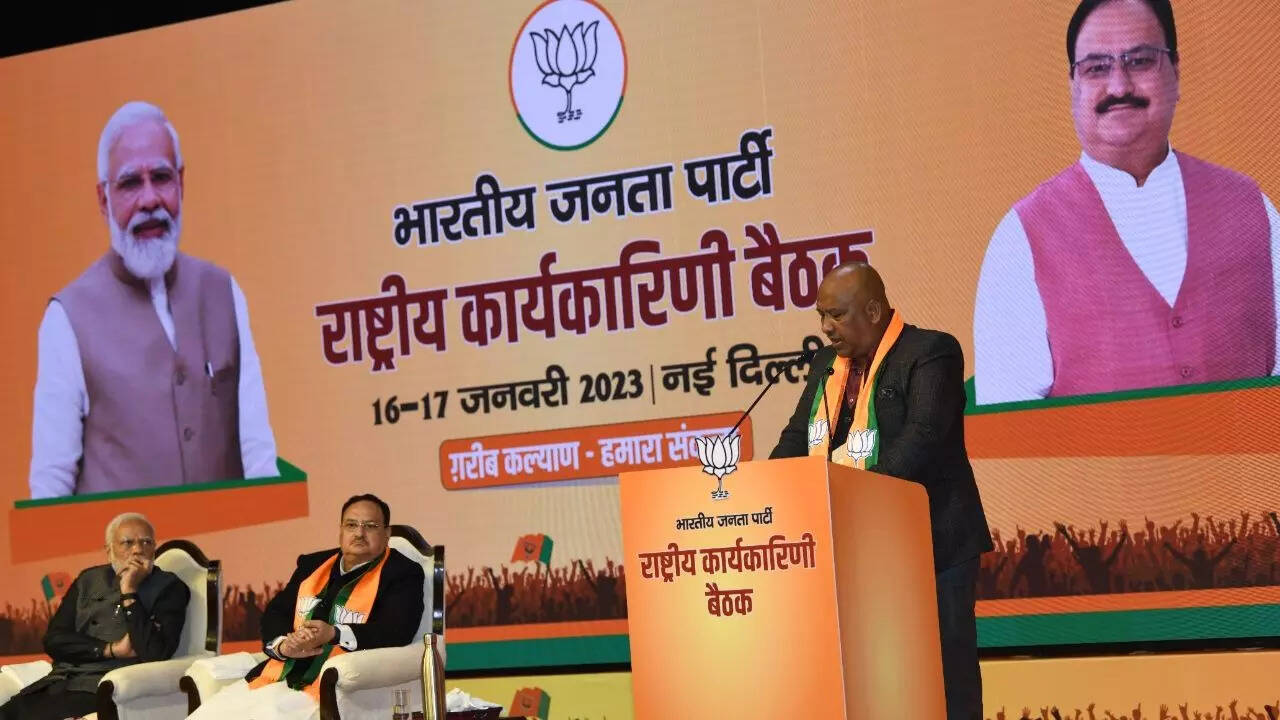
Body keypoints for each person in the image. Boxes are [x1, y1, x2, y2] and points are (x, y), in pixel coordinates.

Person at [974, 0, 1280, 404]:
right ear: (1073, 86)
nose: (1119, 87)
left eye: (1140, 61)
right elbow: (1011, 430)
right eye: (1096, 67)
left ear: (1176, 73)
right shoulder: (1021, 241)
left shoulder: (1252, 210)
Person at [771, 262, 992, 720]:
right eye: (820, 315)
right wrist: (767, 492)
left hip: (933, 545)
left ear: (873, 311)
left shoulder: (931, 352)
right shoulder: (825, 366)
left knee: (944, 674)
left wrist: (853, 500)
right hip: (856, 552)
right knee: (876, 675)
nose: (825, 327)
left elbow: (923, 438)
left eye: (835, 315)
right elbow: (797, 437)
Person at [29, 100, 278, 498]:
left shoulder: (224, 292)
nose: (149, 200)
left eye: (161, 178)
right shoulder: (67, 319)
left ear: (181, 183)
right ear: (103, 200)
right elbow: (51, 485)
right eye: (130, 183)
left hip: (230, 535)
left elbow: (259, 457)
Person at [188, 494, 425, 720]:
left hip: (329, 686)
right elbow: (276, 611)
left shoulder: (403, 573)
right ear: (341, 530)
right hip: (278, 673)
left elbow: (397, 630)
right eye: (351, 525)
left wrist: (334, 633)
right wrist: (283, 645)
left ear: (386, 534)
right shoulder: (312, 564)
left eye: (370, 526)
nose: (359, 533)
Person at [0, 513, 189, 720]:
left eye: (146, 542)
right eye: (127, 543)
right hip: (63, 679)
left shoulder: (170, 588)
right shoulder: (89, 580)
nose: (138, 549)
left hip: (107, 687)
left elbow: (156, 652)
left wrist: (129, 592)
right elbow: (54, 640)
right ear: (109, 551)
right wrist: (110, 649)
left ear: (154, 548)